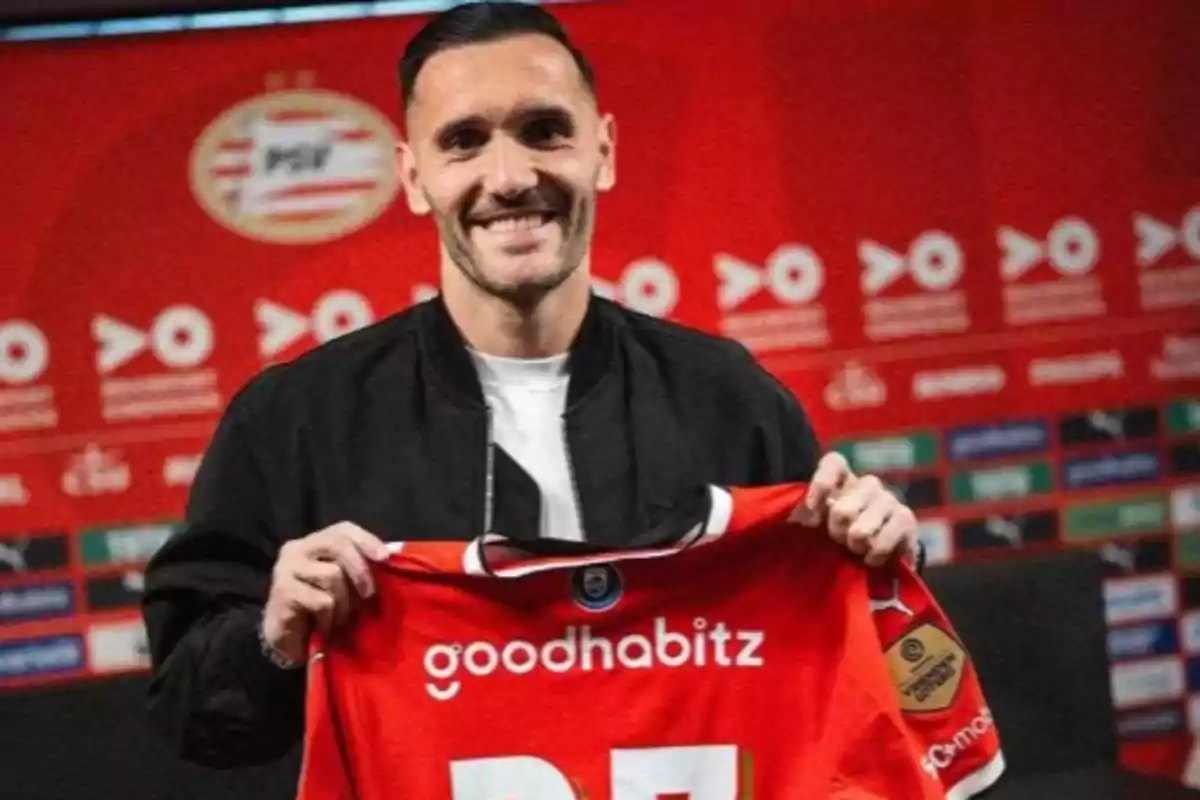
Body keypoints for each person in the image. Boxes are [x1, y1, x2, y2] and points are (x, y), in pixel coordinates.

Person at [142, 1, 919, 769]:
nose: (510, 177)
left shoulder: (730, 399)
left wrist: (879, 574)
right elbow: (192, 718)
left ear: (603, 151)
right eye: (465, 142)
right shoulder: (297, 420)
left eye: (544, 130)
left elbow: (845, 691)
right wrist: (275, 637)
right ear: (414, 178)